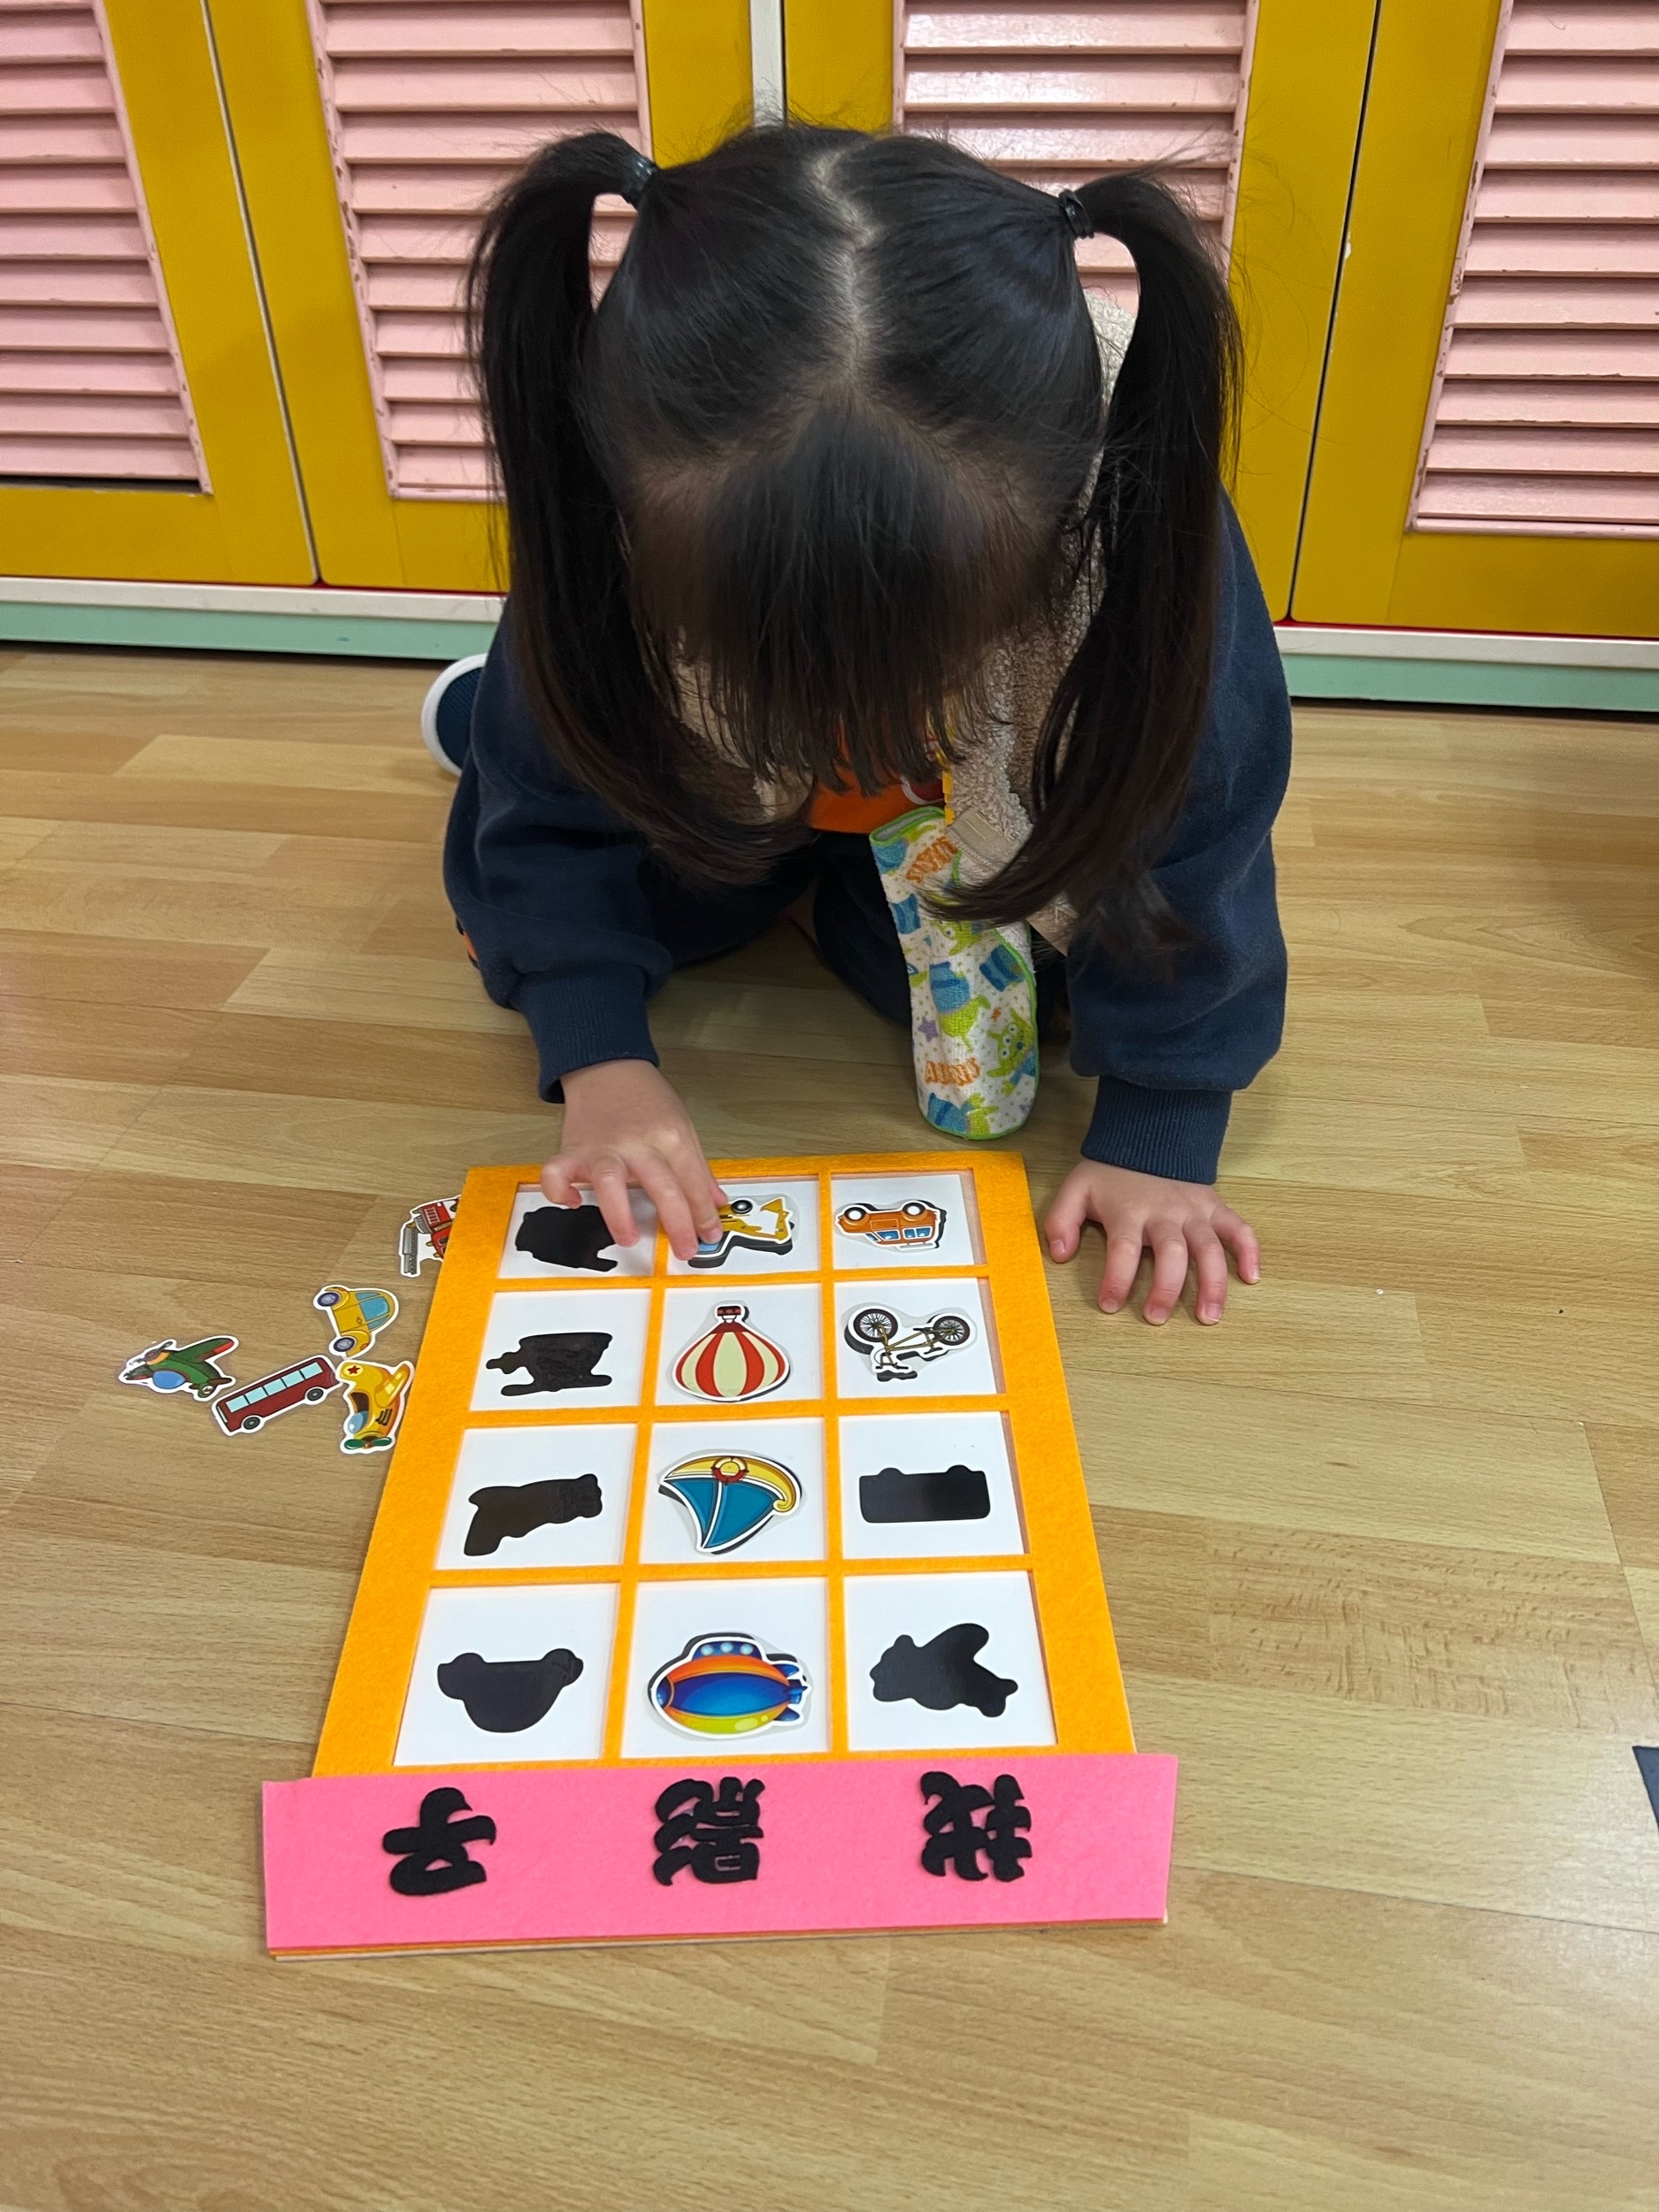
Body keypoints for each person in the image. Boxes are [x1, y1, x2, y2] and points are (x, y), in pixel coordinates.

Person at [433, 124, 1290, 1325]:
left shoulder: (1133, 529)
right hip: (727, 783)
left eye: (898, 663)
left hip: (962, 789)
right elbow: (545, 817)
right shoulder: (609, 515)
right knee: (565, 878)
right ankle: (490, 701)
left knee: (1041, 1000)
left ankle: (793, 838)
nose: (841, 709)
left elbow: (1200, 844)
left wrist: (1162, 1125)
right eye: (778, 668)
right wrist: (601, 1059)